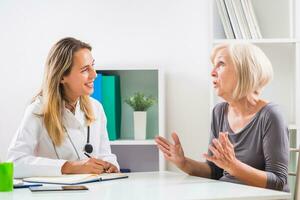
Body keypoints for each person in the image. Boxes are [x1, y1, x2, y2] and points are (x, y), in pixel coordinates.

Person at [155, 43, 289, 191]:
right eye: (213, 66)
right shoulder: (219, 112)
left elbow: (278, 182)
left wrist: (233, 166)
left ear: (243, 70)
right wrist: (183, 162)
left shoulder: (270, 115)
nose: (212, 72)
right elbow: (215, 172)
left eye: (221, 64)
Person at [7, 37, 119, 178]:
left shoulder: (96, 107)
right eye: (85, 69)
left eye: (93, 66)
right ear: (61, 77)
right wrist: (68, 166)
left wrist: (110, 165)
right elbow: (15, 163)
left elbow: (105, 154)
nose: (94, 74)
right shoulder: (38, 111)